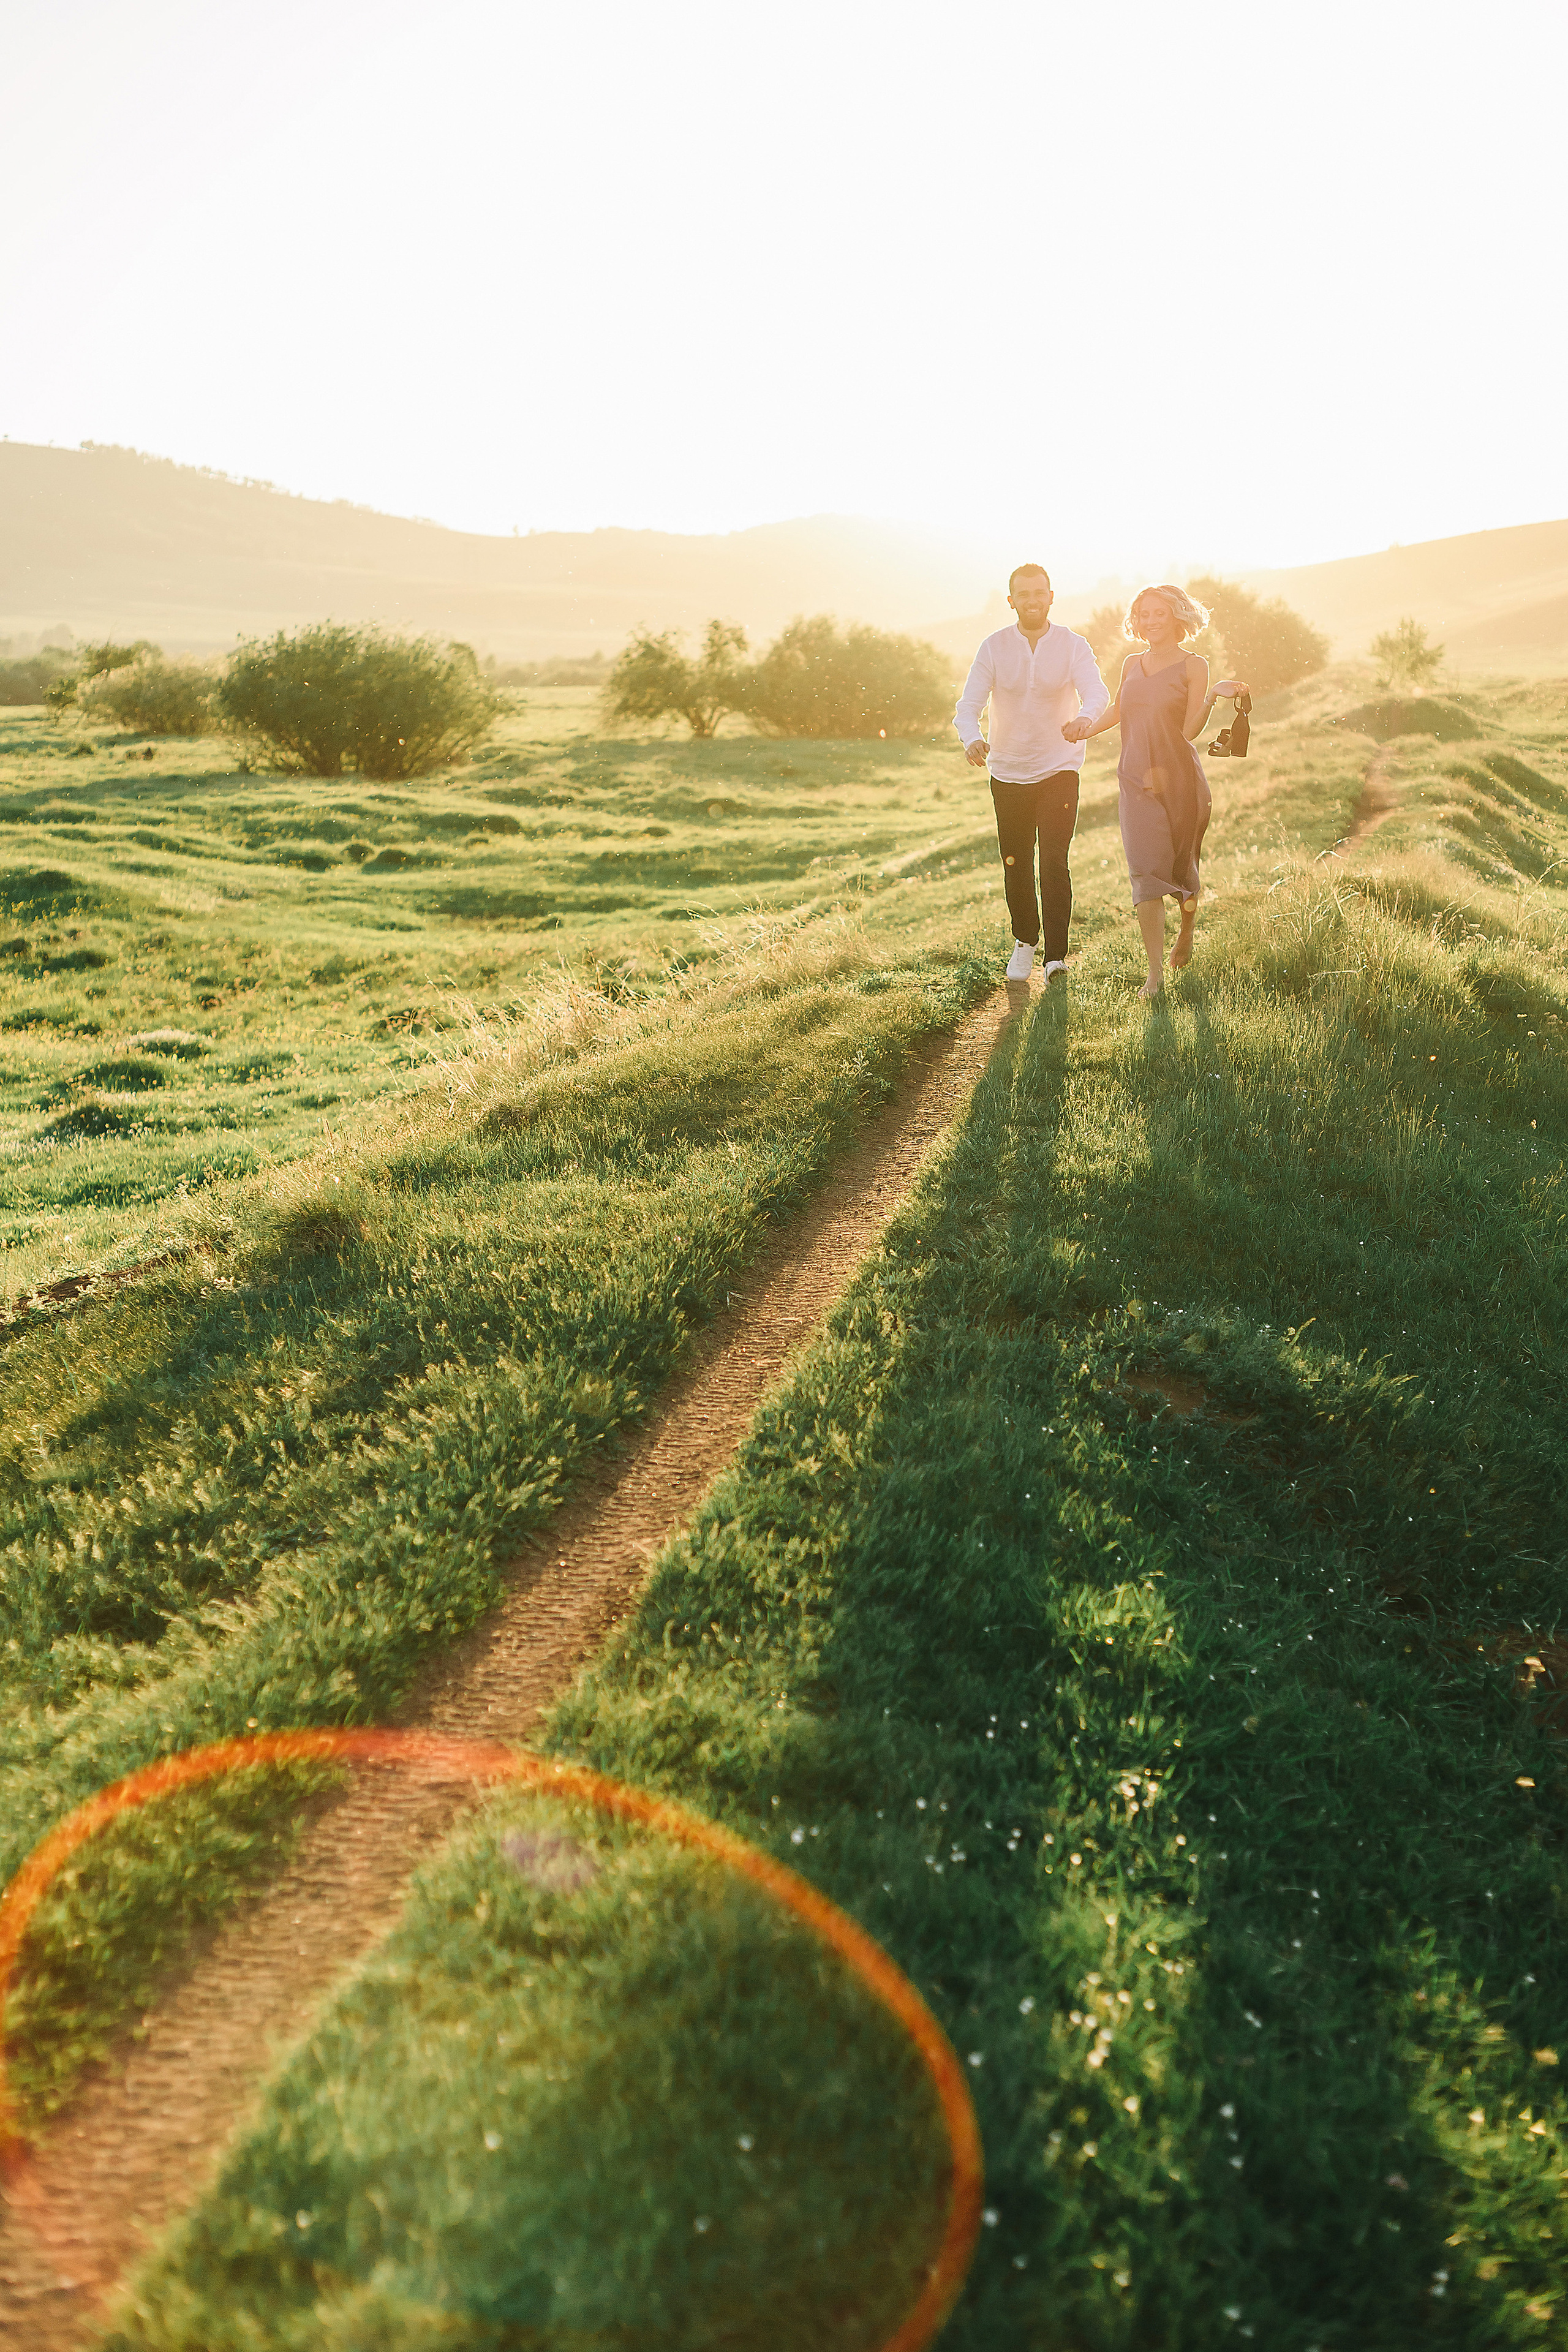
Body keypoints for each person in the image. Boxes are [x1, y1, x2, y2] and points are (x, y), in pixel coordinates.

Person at [1063, 584, 1248, 999]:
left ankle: (1187, 930)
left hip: (1179, 779)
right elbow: (1118, 710)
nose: (1149, 621)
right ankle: (1154, 976)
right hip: (1133, 778)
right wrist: (1083, 728)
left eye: (1158, 614)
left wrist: (1214, 697)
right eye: (1143, 614)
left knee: (1182, 868)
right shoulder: (1131, 663)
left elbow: (1188, 731)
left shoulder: (1193, 665)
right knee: (1145, 873)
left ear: (1177, 617)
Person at [954, 564, 1110, 983]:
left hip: (1059, 765)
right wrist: (972, 739)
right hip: (1008, 771)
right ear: (1012, 601)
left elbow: (1096, 691)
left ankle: (1056, 958)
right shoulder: (994, 647)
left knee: (1055, 862)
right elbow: (969, 705)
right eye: (1024, 594)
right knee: (1016, 863)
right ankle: (1025, 941)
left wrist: (1085, 718)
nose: (1032, 600)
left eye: (1039, 592)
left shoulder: (1073, 645)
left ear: (1051, 596)